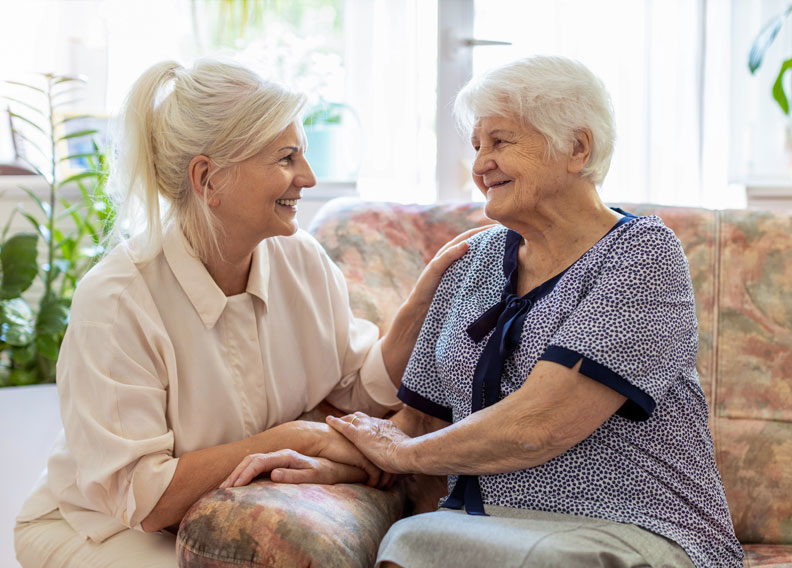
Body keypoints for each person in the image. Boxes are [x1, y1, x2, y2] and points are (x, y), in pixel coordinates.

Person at [227, 55, 745, 567]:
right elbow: (414, 424)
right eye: (476, 147)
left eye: (500, 142)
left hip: (633, 526)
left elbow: (541, 422)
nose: (479, 166)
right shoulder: (470, 262)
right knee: (416, 539)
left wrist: (402, 455)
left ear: (576, 147)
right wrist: (328, 456)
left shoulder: (641, 255)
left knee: (438, 546)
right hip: (478, 526)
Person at [13, 58, 478, 568]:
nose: (308, 176)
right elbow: (143, 498)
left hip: (220, 513)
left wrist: (420, 306)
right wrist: (293, 438)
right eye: (286, 157)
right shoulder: (116, 301)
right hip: (101, 530)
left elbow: (358, 386)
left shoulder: (299, 256)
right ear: (208, 178)